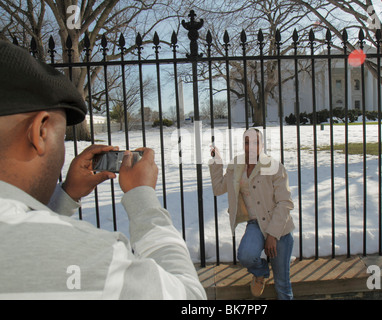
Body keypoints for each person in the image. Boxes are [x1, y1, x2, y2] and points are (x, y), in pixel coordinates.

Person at [0, 40, 206, 300]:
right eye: (61, 136)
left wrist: (66, 195)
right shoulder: (88, 257)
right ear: (40, 131)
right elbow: (189, 298)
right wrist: (143, 197)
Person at [209, 128, 295, 300]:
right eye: (247, 142)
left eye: (256, 142)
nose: (251, 146)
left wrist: (272, 235)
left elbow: (285, 203)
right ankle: (261, 272)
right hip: (255, 224)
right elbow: (219, 188)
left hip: (279, 229)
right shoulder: (236, 167)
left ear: (262, 145)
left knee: (282, 284)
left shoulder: (275, 167)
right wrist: (216, 162)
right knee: (245, 256)